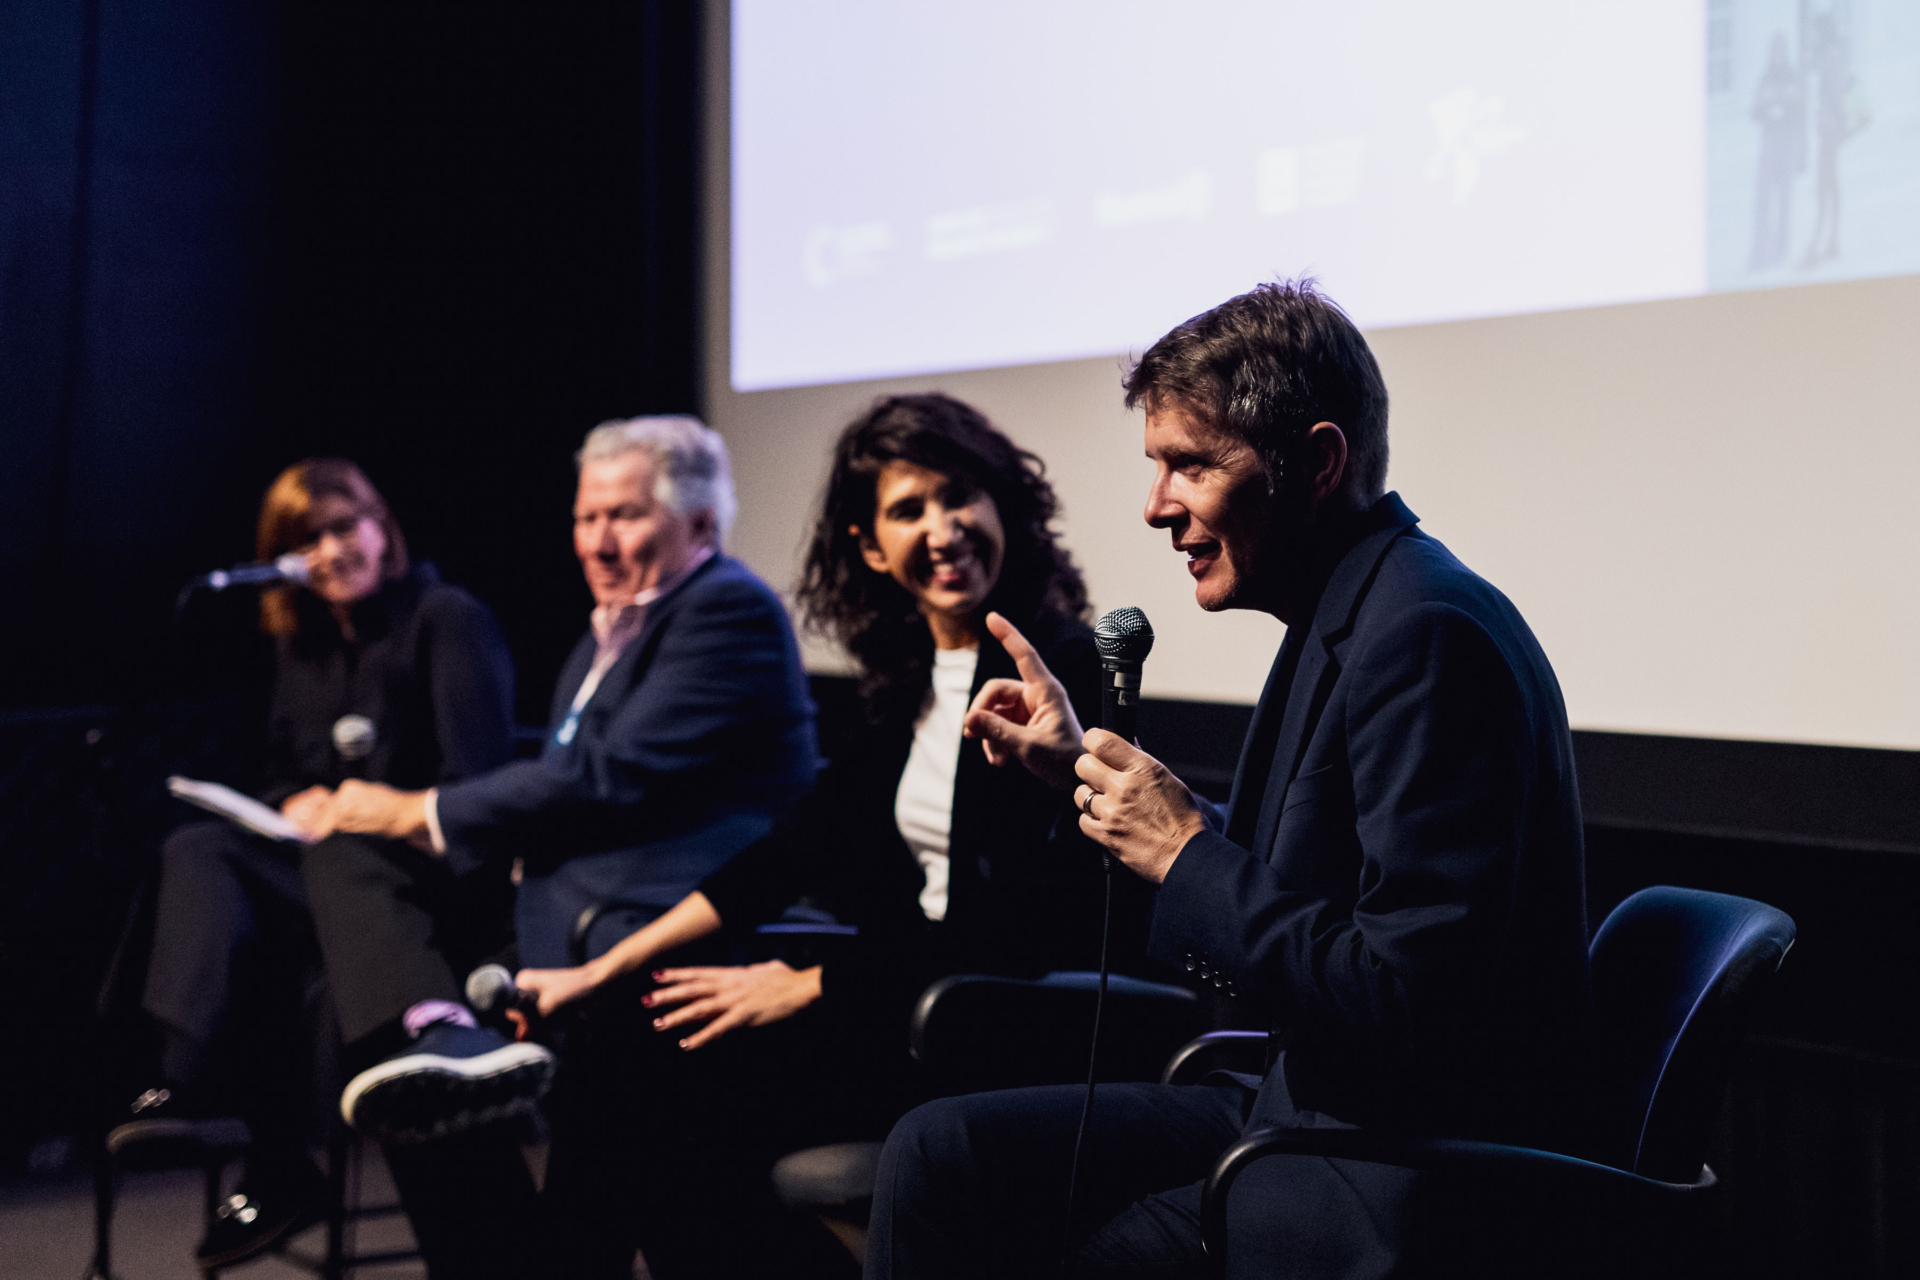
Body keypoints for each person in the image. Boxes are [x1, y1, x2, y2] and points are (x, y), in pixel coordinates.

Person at [864, 281, 1594, 1278]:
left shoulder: (1426, 636)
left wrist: (1184, 849)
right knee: (940, 1151)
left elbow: (1409, 1001)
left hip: (1387, 1160)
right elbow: (1292, 878)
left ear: (1319, 462)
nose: (1158, 504)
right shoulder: (1351, 611)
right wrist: (1080, 773)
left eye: (1190, 465)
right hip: (1299, 1108)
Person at [514, 393, 1136, 1143]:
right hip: (903, 993)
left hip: (989, 1012)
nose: (942, 531)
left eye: (959, 497)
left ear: (1001, 505)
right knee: (649, 1039)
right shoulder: (906, 682)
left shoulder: (1060, 668)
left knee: (667, 1082)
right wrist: (604, 970)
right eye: (908, 510)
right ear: (871, 547)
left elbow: (1024, 921)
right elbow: (791, 850)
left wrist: (813, 985)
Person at [310, 414, 818, 1279]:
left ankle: (449, 1044)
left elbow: (604, 776)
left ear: (699, 524)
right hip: (572, 908)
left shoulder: (726, 609)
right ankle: (436, 1038)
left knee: (609, 1213)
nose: (597, 541)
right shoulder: (604, 633)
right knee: (350, 940)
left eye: (623, 516)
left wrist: (418, 809)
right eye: (587, 518)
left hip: (661, 920)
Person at [138, 458, 523, 1272]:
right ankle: (183, 1077)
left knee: (310, 918)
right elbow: (285, 769)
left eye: (344, 527)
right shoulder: (303, 645)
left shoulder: (444, 617)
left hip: (425, 879)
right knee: (198, 847)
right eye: (305, 540)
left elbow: (480, 786)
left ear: (382, 525)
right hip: (331, 873)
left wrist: (372, 806)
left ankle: (300, 1140)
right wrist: (295, 805)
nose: (329, 550)